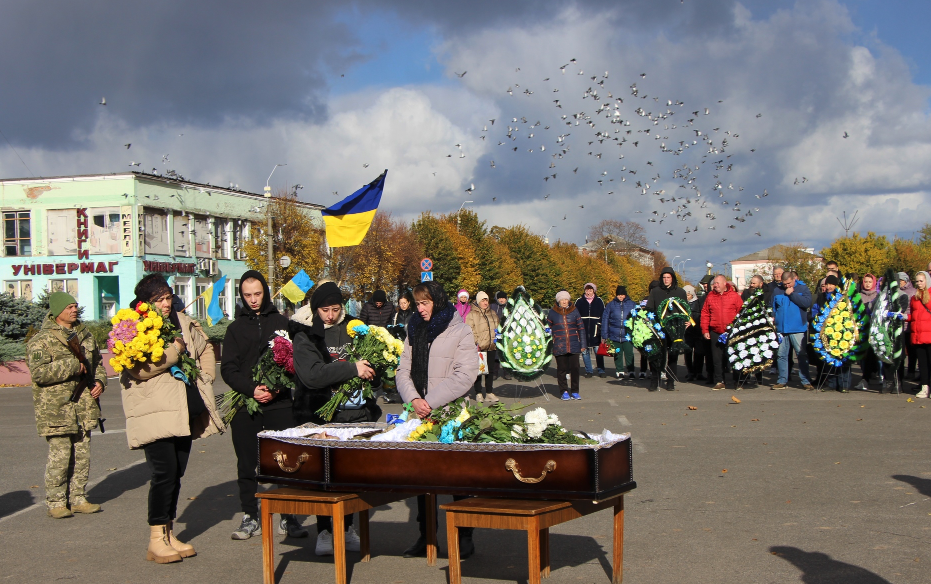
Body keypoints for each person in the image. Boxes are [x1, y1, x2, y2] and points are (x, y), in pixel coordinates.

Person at [119, 274, 223, 563]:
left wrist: (206, 379)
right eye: (159, 299)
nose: (166, 303)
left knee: (176, 473)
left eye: (167, 297)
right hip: (155, 412)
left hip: (183, 411)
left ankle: (167, 533)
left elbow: (205, 349)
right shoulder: (132, 327)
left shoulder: (182, 320)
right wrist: (175, 350)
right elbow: (139, 370)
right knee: (163, 473)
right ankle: (155, 539)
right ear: (145, 303)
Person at [292, 281, 381, 556]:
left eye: (335, 309)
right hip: (321, 415)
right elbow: (313, 375)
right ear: (314, 309)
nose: (330, 316)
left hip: (355, 415)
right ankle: (324, 532)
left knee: (350, 476)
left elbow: (373, 362)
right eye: (324, 310)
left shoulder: (356, 328)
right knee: (324, 477)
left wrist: (375, 371)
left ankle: (346, 527)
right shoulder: (306, 335)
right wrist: (352, 368)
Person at [221, 271, 307, 541]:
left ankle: (288, 515)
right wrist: (251, 390)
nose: (253, 300)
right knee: (247, 464)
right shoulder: (235, 329)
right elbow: (228, 369)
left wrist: (276, 389)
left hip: (280, 404)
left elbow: (294, 363)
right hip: (246, 405)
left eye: (257, 294)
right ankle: (250, 516)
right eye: (247, 295)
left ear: (266, 293)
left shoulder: (282, 323)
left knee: (286, 463)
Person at [396, 281, 478, 559]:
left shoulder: (460, 330)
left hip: (451, 414)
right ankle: (426, 536)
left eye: (425, 303)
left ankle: (464, 534)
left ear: (438, 301)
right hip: (419, 414)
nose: (420, 309)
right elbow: (402, 370)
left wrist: (431, 400)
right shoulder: (413, 329)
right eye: (417, 304)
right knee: (422, 478)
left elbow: (466, 374)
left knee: (458, 477)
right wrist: (414, 400)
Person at [26, 292, 106, 519]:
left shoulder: (85, 335)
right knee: (60, 456)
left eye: (75, 306)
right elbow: (39, 373)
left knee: (82, 454)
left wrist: (99, 381)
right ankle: (56, 501)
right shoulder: (41, 340)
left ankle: (78, 498)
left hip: (83, 405)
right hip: (56, 408)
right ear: (57, 311)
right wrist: (72, 366)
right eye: (69, 307)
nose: (74, 310)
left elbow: (97, 362)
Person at [646, 267, 688, 390]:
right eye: (664, 277)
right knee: (656, 355)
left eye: (668, 277)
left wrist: (686, 322)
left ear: (673, 278)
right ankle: (655, 380)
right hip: (658, 329)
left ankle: (670, 381)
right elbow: (649, 309)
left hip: (674, 329)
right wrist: (650, 321)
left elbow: (685, 311)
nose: (666, 280)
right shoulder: (655, 292)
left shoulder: (680, 292)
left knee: (673, 356)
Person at [771, 271, 814, 390]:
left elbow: (806, 303)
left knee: (801, 355)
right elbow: (773, 307)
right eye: (784, 284)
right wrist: (773, 315)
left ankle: (806, 381)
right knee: (781, 355)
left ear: (794, 279)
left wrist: (792, 294)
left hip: (798, 328)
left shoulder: (803, 288)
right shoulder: (777, 290)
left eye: (789, 283)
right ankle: (782, 380)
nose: (787, 286)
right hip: (782, 328)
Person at [701, 275, 744, 390]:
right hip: (716, 331)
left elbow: (742, 313)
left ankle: (737, 381)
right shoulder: (710, 297)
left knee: (734, 357)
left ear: (725, 283)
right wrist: (705, 330)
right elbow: (705, 314)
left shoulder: (735, 296)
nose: (715, 285)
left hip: (732, 332)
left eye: (718, 283)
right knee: (717, 358)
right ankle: (720, 381)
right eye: (714, 283)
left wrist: (740, 329)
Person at [548, 290, 586, 400]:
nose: (564, 302)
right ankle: (564, 391)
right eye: (562, 300)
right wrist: (550, 344)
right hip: (559, 345)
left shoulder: (574, 311)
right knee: (561, 369)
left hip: (574, 344)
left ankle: (575, 391)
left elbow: (581, 328)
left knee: (575, 368)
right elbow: (547, 329)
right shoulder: (552, 312)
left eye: (566, 299)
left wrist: (583, 344)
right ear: (558, 301)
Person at [465, 291, 500, 403]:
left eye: (486, 300)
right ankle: (478, 393)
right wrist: (477, 342)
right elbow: (470, 330)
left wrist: (498, 337)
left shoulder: (493, 313)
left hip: (492, 346)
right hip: (480, 347)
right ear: (478, 301)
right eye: (483, 300)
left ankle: (489, 392)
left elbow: (498, 328)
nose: (485, 302)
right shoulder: (472, 314)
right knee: (479, 371)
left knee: (490, 371)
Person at [602, 286, 636, 379]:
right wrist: (604, 335)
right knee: (617, 353)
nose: (620, 297)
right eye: (619, 295)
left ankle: (631, 371)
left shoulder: (632, 304)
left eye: (622, 295)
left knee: (629, 353)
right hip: (614, 334)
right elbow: (605, 319)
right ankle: (619, 371)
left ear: (625, 295)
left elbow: (637, 318)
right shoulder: (611, 305)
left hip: (627, 335)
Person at [856, 274, 880, 390]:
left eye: (870, 282)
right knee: (864, 355)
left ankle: (879, 375)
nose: (867, 284)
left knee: (876, 354)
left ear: (874, 283)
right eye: (865, 281)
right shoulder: (858, 296)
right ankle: (865, 378)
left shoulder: (878, 295)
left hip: (875, 329)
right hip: (862, 329)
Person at [908, 271, 931, 398]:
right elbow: (914, 316)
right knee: (923, 364)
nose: (919, 283)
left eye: (921, 281)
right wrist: (905, 317)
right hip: (918, 335)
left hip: (929, 334)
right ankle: (924, 387)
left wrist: (924, 297)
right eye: (917, 281)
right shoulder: (914, 298)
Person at [576, 283, 606, 378]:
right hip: (583, 330)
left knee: (598, 352)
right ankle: (589, 370)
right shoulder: (579, 301)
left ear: (594, 291)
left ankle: (601, 370)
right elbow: (576, 315)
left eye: (590, 290)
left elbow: (603, 315)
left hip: (595, 330)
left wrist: (600, 325)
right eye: (587, 290)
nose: (588, 292)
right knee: (585, 352)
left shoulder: (599, 301)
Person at [898, 272, 918, 380]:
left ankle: (911, 370)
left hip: (909, 324)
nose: (899, 283)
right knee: (901, 350)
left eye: (901, 281)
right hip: (900, 325)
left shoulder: (913, 292)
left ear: (905, 280)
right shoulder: (897, 292)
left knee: (911, 350)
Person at [493, 291, 511, 380]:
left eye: (503, 298)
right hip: (496, 333)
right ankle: (494, 373)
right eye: (500, 298)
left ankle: (507, 372)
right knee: (496, 355)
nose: (502, 300)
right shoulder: (493, 307)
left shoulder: (509, 307)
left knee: (506, 354)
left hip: (507, 334)